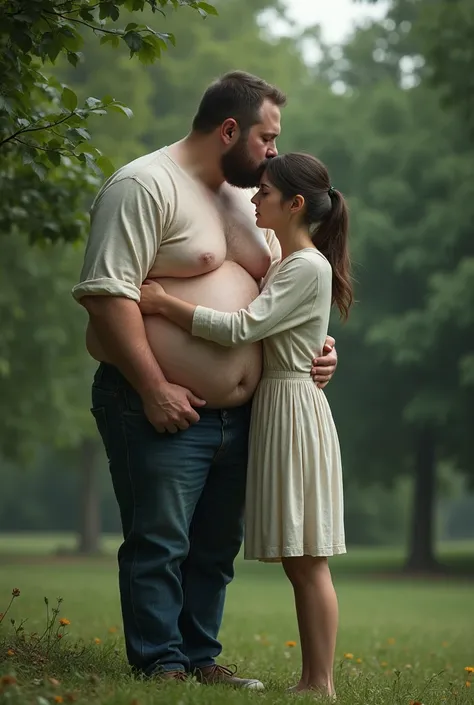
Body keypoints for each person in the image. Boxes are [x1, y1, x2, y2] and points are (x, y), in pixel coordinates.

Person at [72, 71, 338, 689]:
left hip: (246, 413)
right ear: (229, 130)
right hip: (162, 403)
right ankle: (160, 664)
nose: (275, 152)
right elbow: (109, 296)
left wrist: (319, 350)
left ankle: (198, 658)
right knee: (160, 541)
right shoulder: (145, 185)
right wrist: (152, 387)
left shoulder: (247, 199)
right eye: (268, 138)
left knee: (215, 548)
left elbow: (285, 294)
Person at [138, 152, 352, 698]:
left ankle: (320, 682)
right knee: (298, 560)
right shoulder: (289, 262)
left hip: (293, 410)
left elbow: (243, 327)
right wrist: (320, 344)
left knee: (308, 558)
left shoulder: (307, 265)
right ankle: (311, 679)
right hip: (276, 406)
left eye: (265, 193)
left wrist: (164, 304)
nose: (255, 199)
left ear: (295, 204)